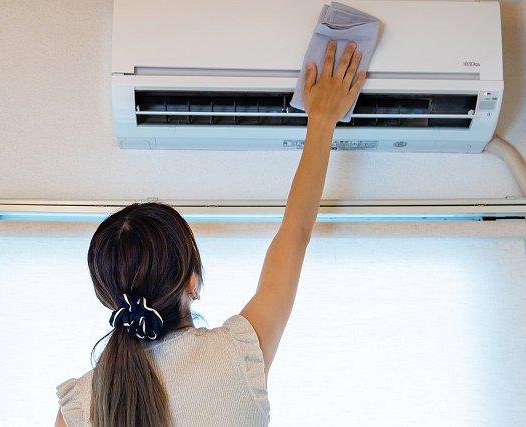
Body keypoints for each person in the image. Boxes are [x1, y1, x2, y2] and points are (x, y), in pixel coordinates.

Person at [54, 40, 365, 427]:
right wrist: (323, 118)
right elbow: (296, 231)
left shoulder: (78, 407)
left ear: (107, 296)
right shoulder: (236, 355)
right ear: (192, 282)